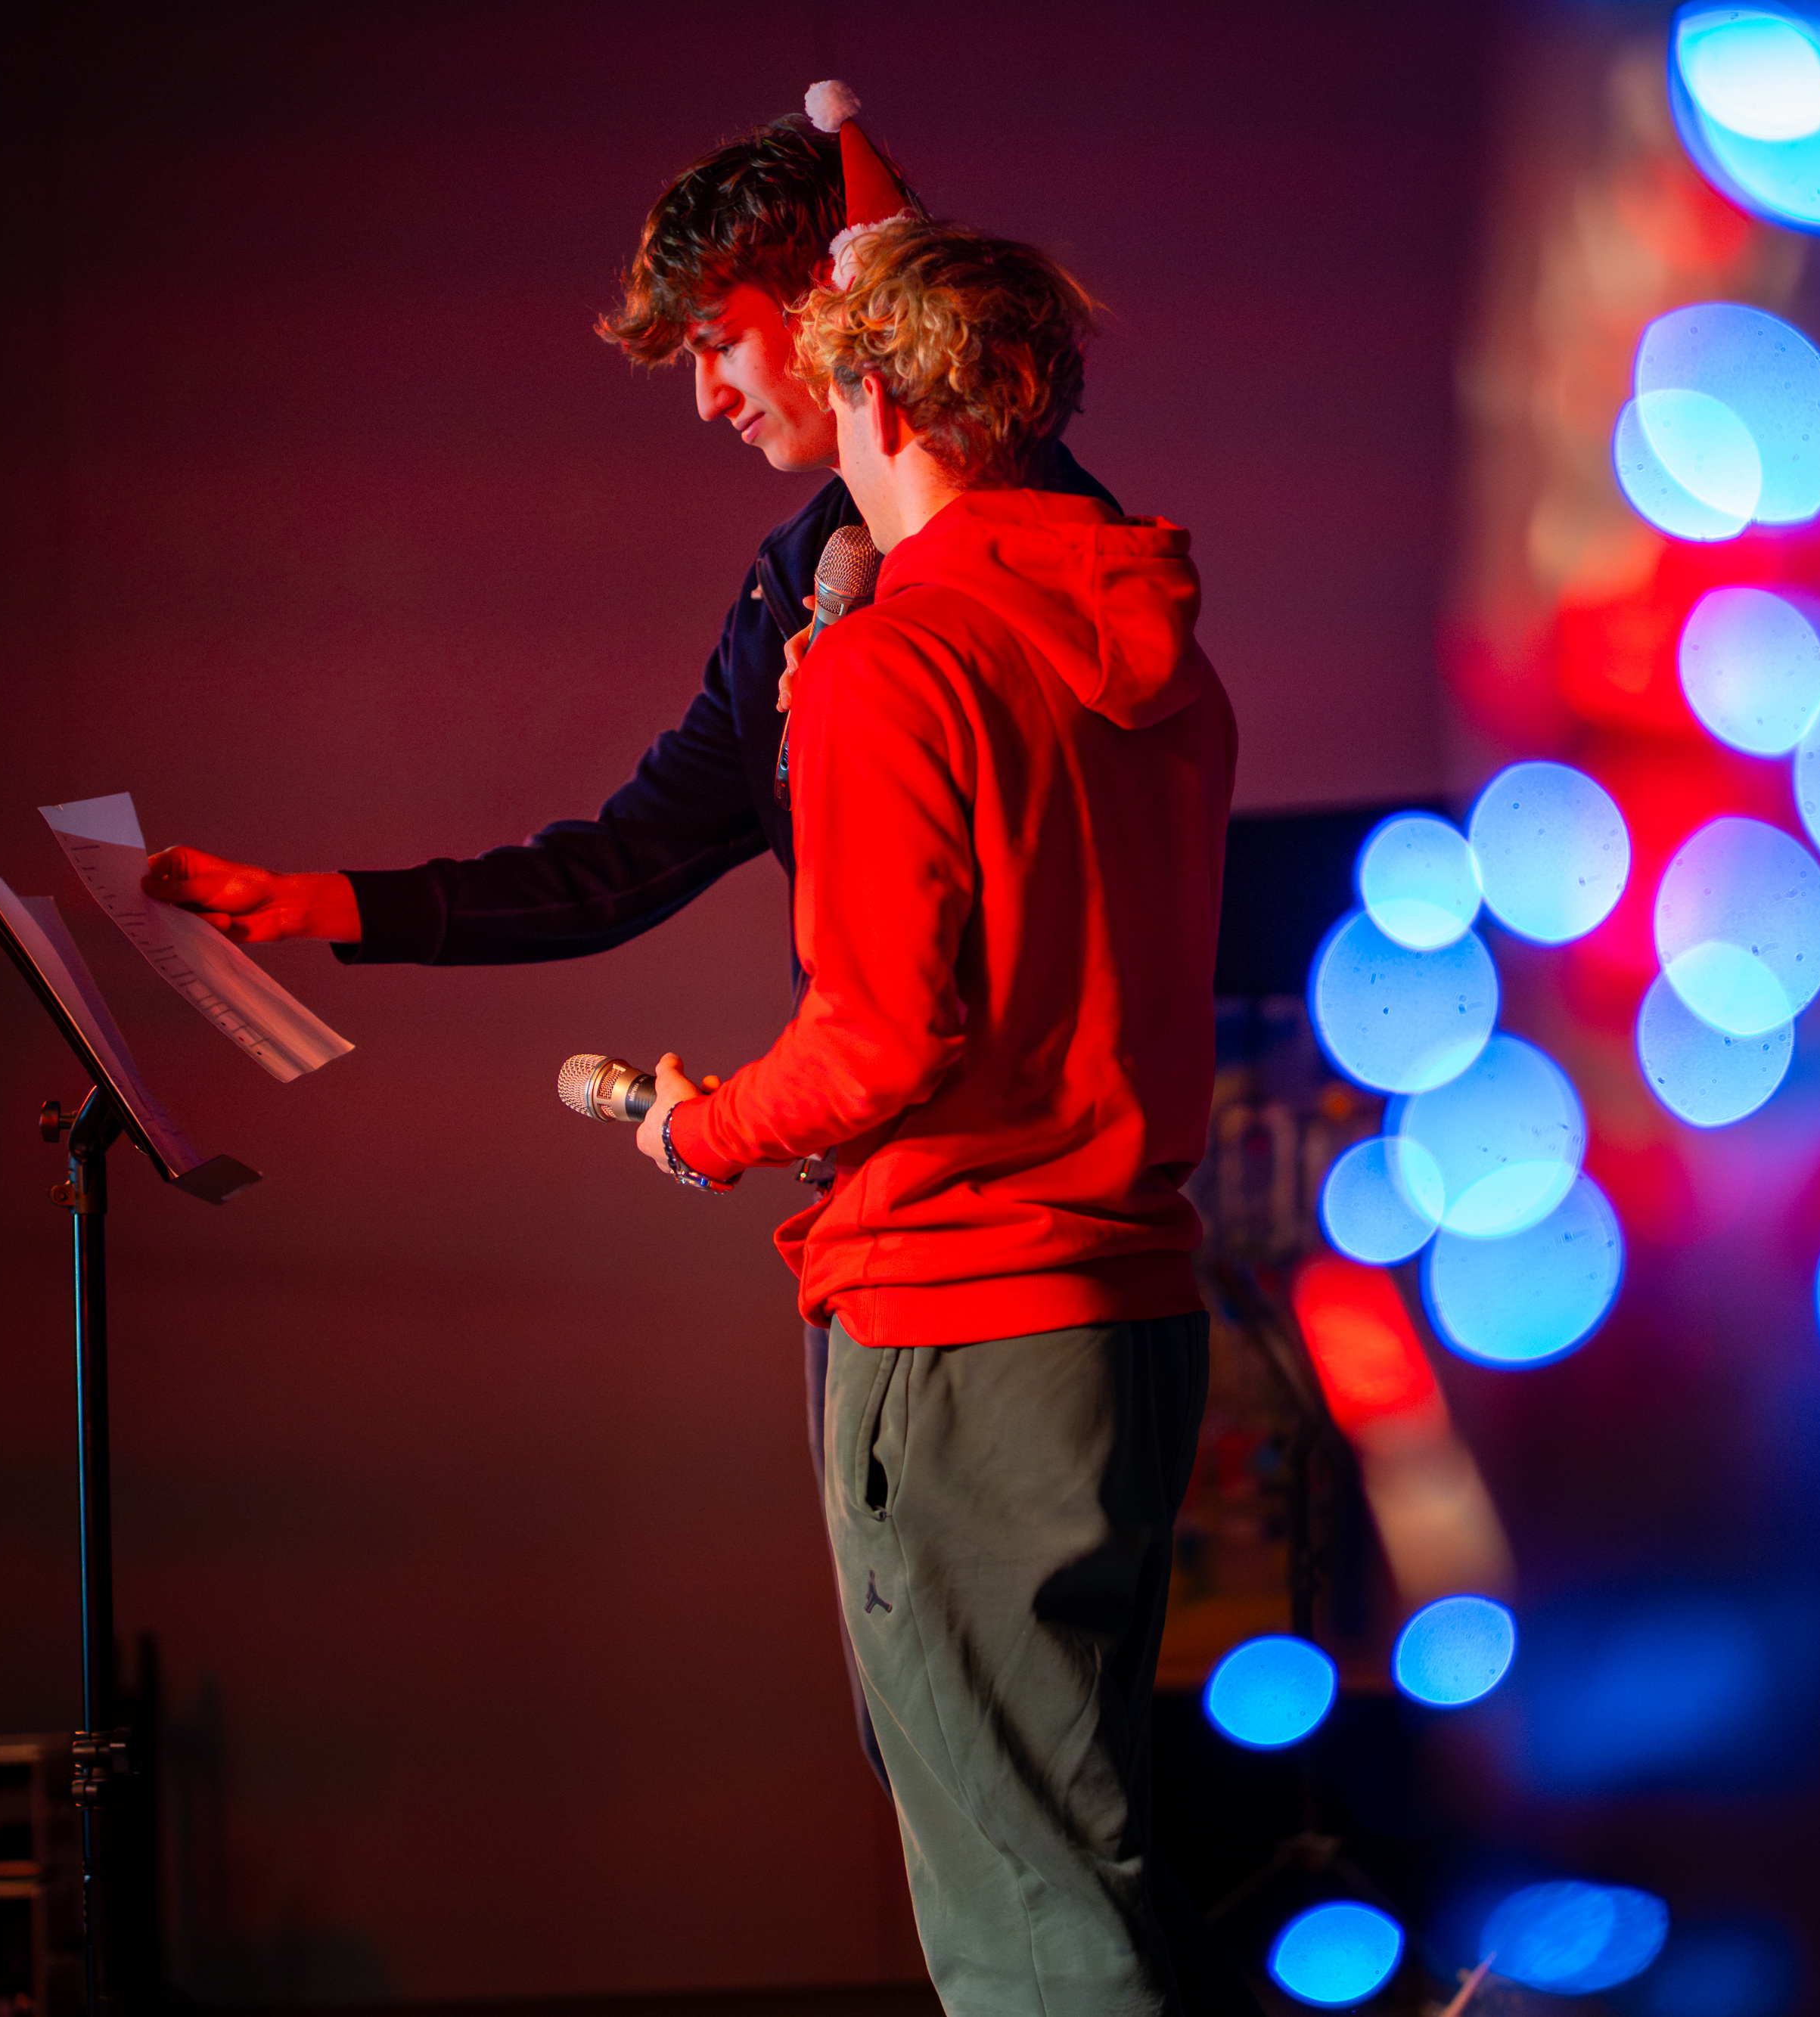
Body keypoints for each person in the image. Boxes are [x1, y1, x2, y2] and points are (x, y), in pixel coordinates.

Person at [136, 85, 1113, 1779]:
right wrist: (329, 905)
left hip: (985, 1264)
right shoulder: (814, 588)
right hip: (910, 1255)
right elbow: (629, 857)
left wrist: (708, 1132)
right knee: (980, 1799)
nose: (707, 396)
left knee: (1013, 1820)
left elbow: (897, 1026)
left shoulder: (1010, 579)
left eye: (720, 342)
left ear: (839, 304)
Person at [629, 216, 1237, 2017]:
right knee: (1087, 1857)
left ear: (873, 397)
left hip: (962, 1322)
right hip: (1129, 1314)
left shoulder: (891, 659)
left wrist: (699, 1128)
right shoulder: (1156, 646)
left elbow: (881, 1040)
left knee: (1024, 1915)